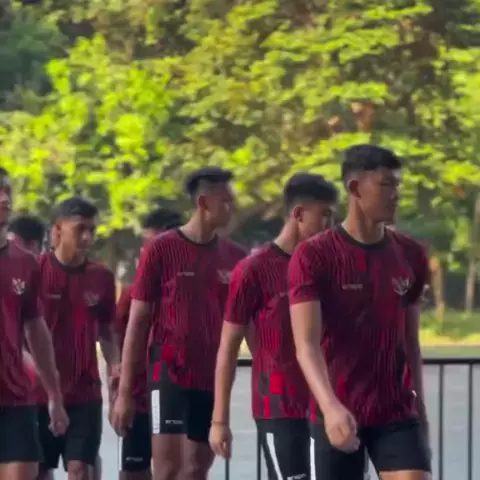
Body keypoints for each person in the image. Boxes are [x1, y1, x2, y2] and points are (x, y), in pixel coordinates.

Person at [288, 145, 431, 480]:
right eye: (386, 184)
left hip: (397, 412)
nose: (396, 194)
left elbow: (410, 340)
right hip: (337, 410)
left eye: (397, 184)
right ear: (355, 188)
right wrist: (329, 407)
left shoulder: (411, 254)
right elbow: (306, 345)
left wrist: (421, 409)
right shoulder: (313, 255)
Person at [112, 167, 246, 480]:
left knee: (195, 470)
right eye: (225, 201)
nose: (232, 208)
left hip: (210, 376)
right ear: (203, 202)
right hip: (168, 373)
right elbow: (137, 323)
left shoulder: (235, 257)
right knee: (168, 469)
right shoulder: (161, 248)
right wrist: (125, 393)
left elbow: (245, 323)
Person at [210, 173, 338, 480]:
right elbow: (228, 347)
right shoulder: (253, 269)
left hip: (329, 405)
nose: (330, 226)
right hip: (280, 407)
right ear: (298, 214)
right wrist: (219, 420)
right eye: (324, 216)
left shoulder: (329, 266)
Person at [34, 196, 121, 480]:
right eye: (80, 229)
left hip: (85, 392)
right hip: (39, 393)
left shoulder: (102, 277)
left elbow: (107, 332)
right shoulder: (35, 272)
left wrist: (116, 368)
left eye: (91, 230)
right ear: (58, 229)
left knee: (80, 469)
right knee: (41, 470)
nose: (87, 237)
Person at [0, 167, 69, 480]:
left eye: (7, 191)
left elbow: (37, 332)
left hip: (15, 399)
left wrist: (54, 394)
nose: (4, 198)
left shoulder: (26, 263)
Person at [115, 208, 182, 480]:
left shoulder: (195, 291)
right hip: (141, 400)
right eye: (146, 244)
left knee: (180, 470)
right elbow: (119, 346)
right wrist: (121, 395)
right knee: (134, 470)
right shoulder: (132, 294)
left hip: (181, 397)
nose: (147, 252)